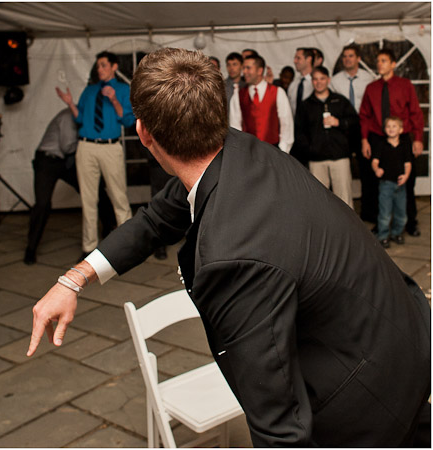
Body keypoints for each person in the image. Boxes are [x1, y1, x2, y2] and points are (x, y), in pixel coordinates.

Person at [27, 48, 430, 447]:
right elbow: (154, 220)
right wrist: (73, 279)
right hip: (402, 332)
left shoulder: (233, 260)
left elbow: (278, 424)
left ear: (144, 134)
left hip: (367, 405)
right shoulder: (239, 148)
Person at [55, 50, 136, 255]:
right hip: (86, 147)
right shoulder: (90, 90)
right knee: (89, 199)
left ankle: (127, 247)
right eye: (98, 66)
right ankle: (89, 247)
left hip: (110, 147)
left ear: (114, 67)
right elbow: (80, 118)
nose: (99, 69)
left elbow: (128, 120)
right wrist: (70, 104)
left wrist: (115, 100)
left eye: (103, 65)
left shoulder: (123, 89)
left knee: (119, 196)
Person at [23, 108, 117, 265]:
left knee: (95, 190)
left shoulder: (89, 119)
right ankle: (31, 248)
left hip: (67, 161)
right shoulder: (68, 117)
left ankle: (108, 227)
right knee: (43, 204)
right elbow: (68, 146)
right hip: (48, 160)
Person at [359, 48, 425, 237]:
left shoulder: (405, 85)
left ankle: (410, 223)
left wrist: (418, 139)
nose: (379, 64)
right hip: (378, 138)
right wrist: (365, 140)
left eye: (384, 60)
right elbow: (364, 116)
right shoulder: (371, 88)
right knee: (376, 181)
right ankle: (380, 224)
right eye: (378, 60)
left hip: (402, 138)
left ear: (393, 64)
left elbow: (415, 113)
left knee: (407, 181)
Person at [294, 66, 358, 207]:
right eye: (315, 79)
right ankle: (324, 229)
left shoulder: (340, 101)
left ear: (328, 80)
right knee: (318, 201)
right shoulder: (305, 105)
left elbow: (354, 123)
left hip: (340, 157)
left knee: (344, 199)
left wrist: (339, 122)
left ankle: (347, 229)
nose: (319, 82)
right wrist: (310, 150)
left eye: (322, 78)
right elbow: (299, 132)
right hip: (316, 160)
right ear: (312, 82)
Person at [331, 44, 376, 222]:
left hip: (363, 129)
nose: (347, 59)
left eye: (351, 56)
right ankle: (345, 214)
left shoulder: (369, 79)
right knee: (343, 172)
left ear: (358, 58)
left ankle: (369, 213)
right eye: (345, 56)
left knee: (367, 172)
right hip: (342, 130)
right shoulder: (335, 80)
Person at [229, 54, 294, 154]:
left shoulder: (277, 92)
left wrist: (282, 151)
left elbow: (286, 124)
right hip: (248, 152)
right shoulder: (238, 95)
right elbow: (235, 127)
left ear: (259, 71)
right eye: (243, 68)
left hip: (274, 151)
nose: (244, 72)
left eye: (248, 68)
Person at [372, 117, 413, 248]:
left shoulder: (404, 146)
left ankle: (397, 233)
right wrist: (376, 169)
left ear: (401, 130)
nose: (391, 129)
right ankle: (383, 236)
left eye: (394, 126)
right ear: (385, 129)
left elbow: (408, 163)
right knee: (385, 212)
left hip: (400, 185)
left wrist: (406, 175)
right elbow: (374, 161)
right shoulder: (381, 145)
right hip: (386, 184)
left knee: (401, 212)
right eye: (388, 126)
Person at [288, 48, 315, 115]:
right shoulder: (293, 84)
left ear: (309, 59)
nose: (295, 61)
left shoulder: (317, 83)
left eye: (298, 58)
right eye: (295, 58)